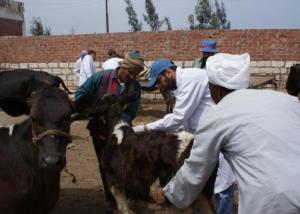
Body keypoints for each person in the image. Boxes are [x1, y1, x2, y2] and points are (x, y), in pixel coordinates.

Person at [151, 53, 300, 214]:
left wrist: (168, 193)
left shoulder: (216, 116)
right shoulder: (285, 100)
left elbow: (195, 170)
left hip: (272, 202)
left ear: (214, 88)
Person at [133, 59, 235, 214]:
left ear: (168, 72)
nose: (159, 86)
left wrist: (144, 128)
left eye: (159, 81)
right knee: (203, 187)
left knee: (222, 188)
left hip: (219, 137)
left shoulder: (190, 79)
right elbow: (183, 121)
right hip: (204, 139)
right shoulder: (181, 84)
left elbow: (178, 118)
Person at [75, 50, 144, 211]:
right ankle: (113, 202)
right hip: (100, 133)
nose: (133, 77)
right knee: (105, 166)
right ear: (124, 67)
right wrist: (95, 110)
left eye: (137, 74)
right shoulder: (101, 78)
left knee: (124, 165)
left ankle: (126, 199)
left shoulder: (135, 87)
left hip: (122, 135)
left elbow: (132, 109)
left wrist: (120, 120)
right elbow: (80, 94)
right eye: (132, 73)